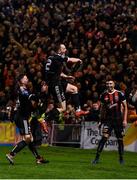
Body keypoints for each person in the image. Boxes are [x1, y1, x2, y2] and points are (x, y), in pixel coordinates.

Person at [6, 74, 49, 165]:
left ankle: (38, 158)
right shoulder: (22, 90)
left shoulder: (24, 90)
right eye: (25, 78)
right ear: (21, 80)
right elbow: (32, 97)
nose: (27, 79)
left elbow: (30, 102)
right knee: (28, 138)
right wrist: (42, 92)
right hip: (22, 117)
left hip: (21, 116)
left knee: (30, 139)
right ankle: (11, 154)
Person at [44, 43, 89, 122]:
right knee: (62, 108)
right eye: (64, 48)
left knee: (74, 89)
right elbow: (70, 60)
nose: (65, 50)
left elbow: (57, 72)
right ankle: (45, 118)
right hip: (55, 85)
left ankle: (78, 110)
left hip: (58, 82)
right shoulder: (57, 57)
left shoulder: (52, 58)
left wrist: (67, 77)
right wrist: (79, 60)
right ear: (59, 50)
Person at [92, 79, 127, 165]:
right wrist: (100, 121)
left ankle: (121, 159)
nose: (109, 85)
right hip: (108, 120)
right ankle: (96, 158)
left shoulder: (120, 94)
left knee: (120, 140)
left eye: (110, 83)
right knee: (104, 138)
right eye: (107, 84)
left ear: (114, 84)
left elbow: (125, 107)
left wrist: (125, 120)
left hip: (118, 120)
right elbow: (102, 109)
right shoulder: (103, 95)